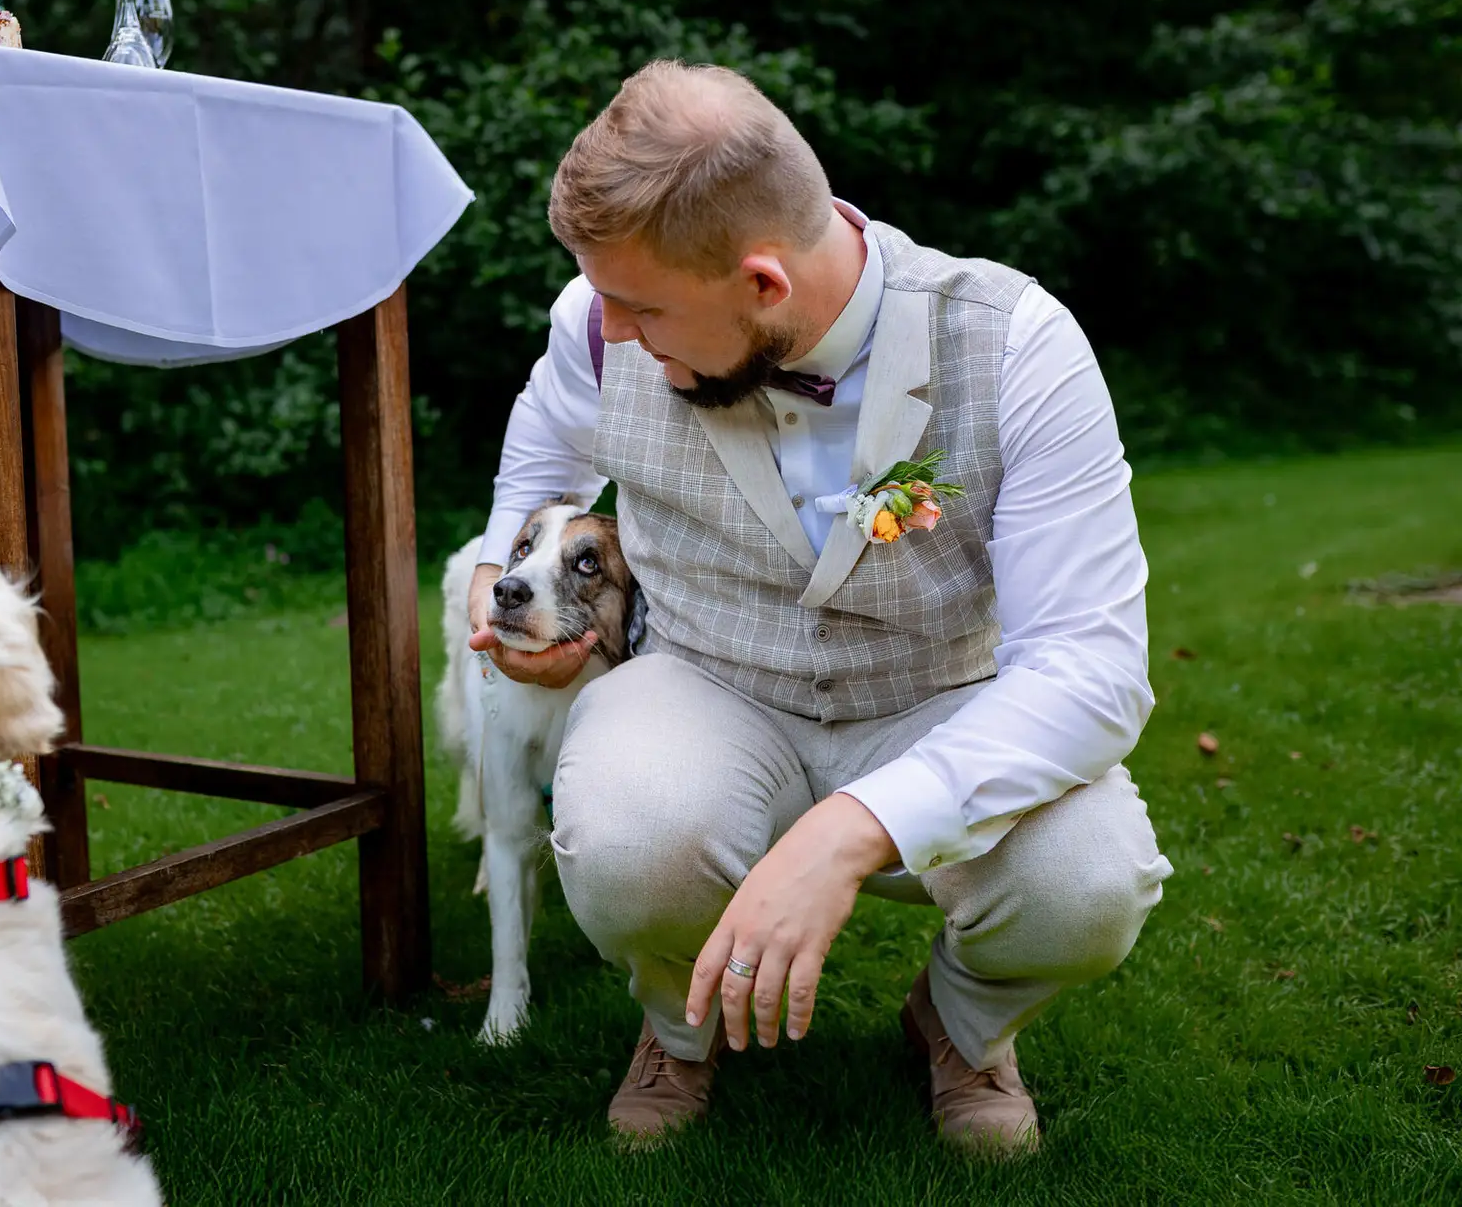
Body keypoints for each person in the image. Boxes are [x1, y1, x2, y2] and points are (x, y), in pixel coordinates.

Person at [468, 59, 1173, 1155]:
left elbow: (1090, 669)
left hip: (934, 696)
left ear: (762, 283)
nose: (611, 328)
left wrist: (852, 831)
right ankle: (677, 1022)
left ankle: (961, 1023)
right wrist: (490, 588)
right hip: (706, 680)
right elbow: (543, 446)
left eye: (643, 305)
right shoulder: (598, 324)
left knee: (1087, 880)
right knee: (626, 835)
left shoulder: (1019, 343)